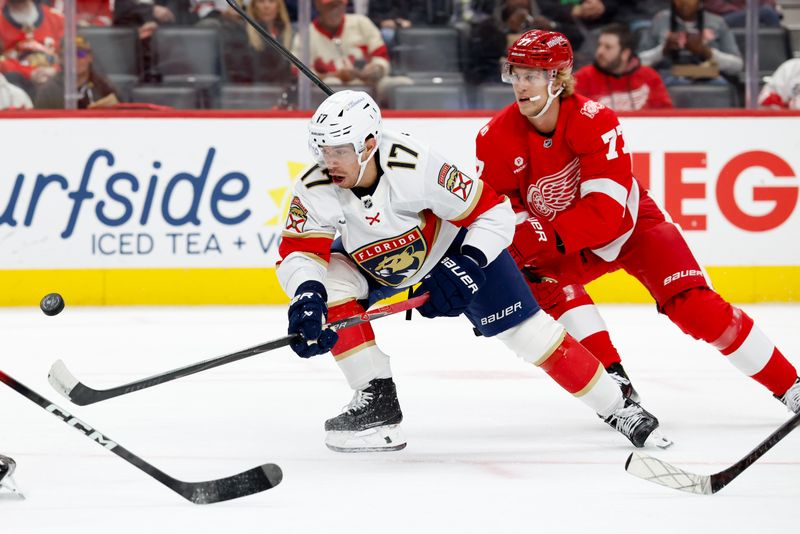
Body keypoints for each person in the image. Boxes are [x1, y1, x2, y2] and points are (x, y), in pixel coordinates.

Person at [276, 89, 671, 453]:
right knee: (326, 286)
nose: (329, 161)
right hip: (373, 260)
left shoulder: (415, 164)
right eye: (322, 149)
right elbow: (297, 251)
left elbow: (494, 211)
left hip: (453, 250)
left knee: (530, 335)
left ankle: (619, 408)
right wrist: (307, 295)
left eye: (339, 150)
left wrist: (469, 263)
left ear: (369, 144)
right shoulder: (313, 183)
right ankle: (377, 401)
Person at [475, 29, 800, 416]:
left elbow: (604, 214)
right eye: (515, 74)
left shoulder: (595, 120)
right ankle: (616, 388)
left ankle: (789, 386)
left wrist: (535, 236)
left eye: (531, 75)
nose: (520, 86)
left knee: (696, 307)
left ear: (558, 79)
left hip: (631, 228)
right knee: (543, 284)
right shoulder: (493, 137)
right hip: (565, 243)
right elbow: (502, 211)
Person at [291, 0, 410, 105]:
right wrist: (337, 75)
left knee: (402, 83)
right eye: (330, 6)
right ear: (318, 6)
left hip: (370, 84)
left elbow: (382, 57)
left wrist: (376, 68)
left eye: (339, 5)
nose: (335, 10)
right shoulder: (305, 34)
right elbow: (300, 74)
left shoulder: (361, 23)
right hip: (331, 93)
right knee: (332, 83)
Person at [638, 0, 742, 85]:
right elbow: (638, 62)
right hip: (669, 75)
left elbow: (737, 66)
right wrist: (663, 50)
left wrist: (706, 52)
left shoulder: (717, 22)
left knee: (721, 85)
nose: (685, 2)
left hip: (708, 76)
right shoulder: (660, 20)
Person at [574, 23, 672, 110]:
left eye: (608, 47)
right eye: (599, 45)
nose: (600, 51)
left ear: (625, 54)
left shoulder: (649, 76)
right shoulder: (583, 77)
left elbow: (665, 116)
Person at [34, 36, 119, 109]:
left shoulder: (104, 87)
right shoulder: (48, 91)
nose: (75, 59)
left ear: (90, 57)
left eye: (80, 54)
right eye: (69, 55)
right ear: (61, 59)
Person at [0, 0, 64, 96]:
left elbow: (72, 57)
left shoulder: (56, 18)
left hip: (54, 83)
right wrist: (29, 73)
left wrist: (55, 70)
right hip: (17, 87)